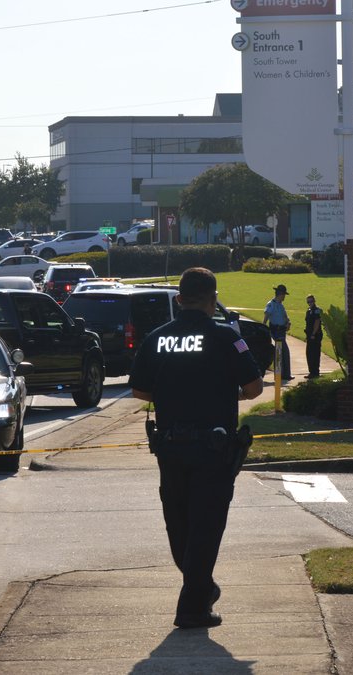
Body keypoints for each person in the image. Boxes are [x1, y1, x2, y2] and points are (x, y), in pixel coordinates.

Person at [129, 267, 263, 629]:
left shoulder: (157, 339)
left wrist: (174, 392)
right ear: (213, 300)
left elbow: (139, 391)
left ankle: (199, 588)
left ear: (179, 299)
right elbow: (253, 388)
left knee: (179, 524)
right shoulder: (226, 337)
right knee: (206, 524)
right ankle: (193, 606)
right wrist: (224, 392)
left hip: (171, 448)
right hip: (212, 449)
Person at [263, 284, 292, 381]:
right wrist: (263, 327)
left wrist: (288, 322)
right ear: (280, 294)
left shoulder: (280, 305)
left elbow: (285, 317)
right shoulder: (271, 304)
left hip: (282, 331)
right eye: (284, 295)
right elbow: (266, 316)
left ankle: (282, 375)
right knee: (281, 352)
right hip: (276, 331)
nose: (284, 297)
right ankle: (281, 375)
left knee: (281, 352)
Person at [305, 294, 323, 379]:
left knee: (315, 354)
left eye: (311, 301)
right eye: (308, 302)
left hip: (315, 336)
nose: (310, 303)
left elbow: (317, 322)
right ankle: (311, 372)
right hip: (309, 336)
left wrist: (313, 334)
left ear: (314, 301)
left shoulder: (317, 310)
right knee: (309, 354)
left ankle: (315, 372)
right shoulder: (308, 311)